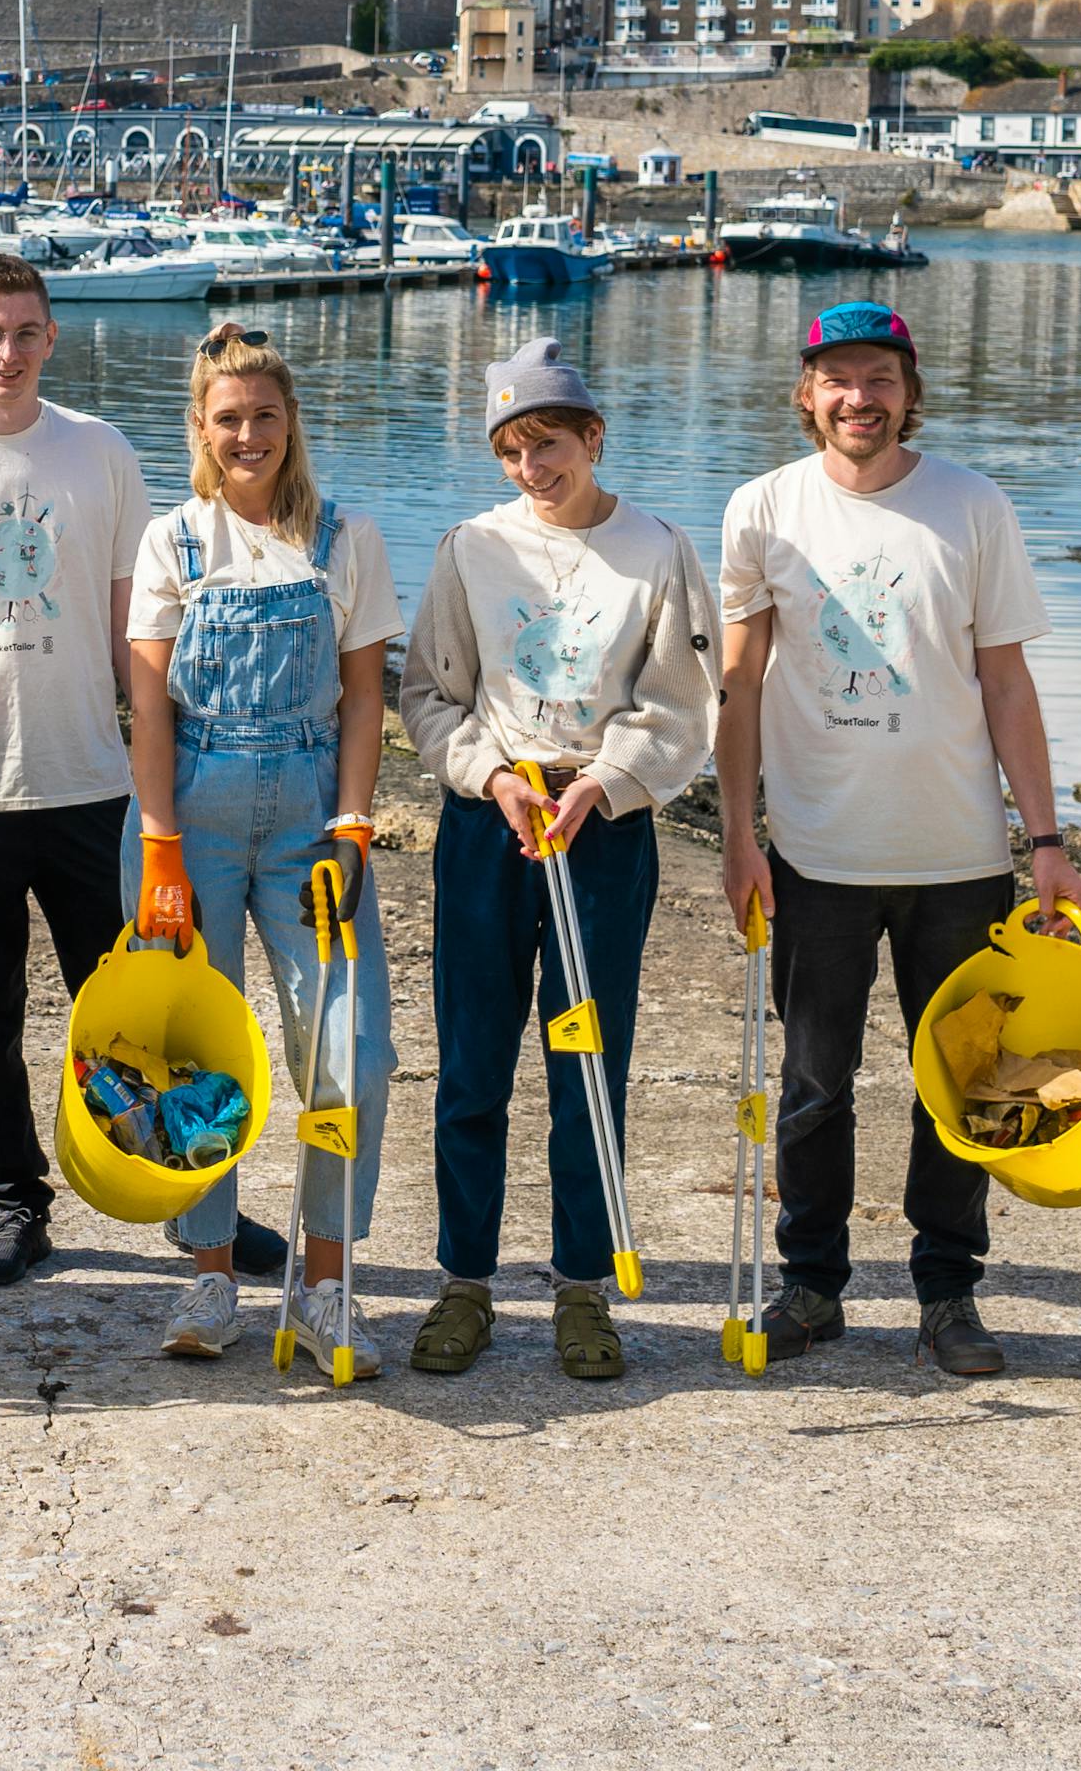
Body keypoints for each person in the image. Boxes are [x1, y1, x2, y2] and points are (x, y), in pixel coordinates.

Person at [716, 301, 1081, 1376]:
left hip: (959, 854)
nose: (858, 398)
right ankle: (812, 1285)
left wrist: (1046, 838)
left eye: (879, 377)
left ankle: (948, 1289)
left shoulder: (971, 506)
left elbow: (1008, 683)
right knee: (813, 1083)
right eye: (837, 378)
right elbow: (738, 688)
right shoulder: (763, 509)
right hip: (817, 855)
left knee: (962, 1081)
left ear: (909, 391)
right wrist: (739, 836)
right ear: (806, 392)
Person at [0, 251, 241, 1290]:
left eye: (26, 332)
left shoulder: (100, 451)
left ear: (51, 339)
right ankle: (16, 1203)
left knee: (134, 1007)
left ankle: (184, 1199)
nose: (8, 352)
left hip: (93, 782)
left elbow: (139, 631)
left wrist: (169, 762)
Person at [398, 337, 712, 1381]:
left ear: (593, 436)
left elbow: (678, 705)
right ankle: (465, 1283)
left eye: (550, 442)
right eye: (512, 449)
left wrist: (607, 781)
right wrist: (491, 774)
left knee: (588, 1059)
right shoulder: (470, 548)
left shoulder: (658, 550)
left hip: (599, 825)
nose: (534, 466)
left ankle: (583, 1286)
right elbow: (431, 696)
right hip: (495, 821)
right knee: (473, 1058)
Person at [120, 324, 402, 1366]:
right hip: (187, 804)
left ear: (292, 423)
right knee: (191, 1054)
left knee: (351, 1047)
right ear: (201, 426)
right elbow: (147, 702)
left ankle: (324, 1285)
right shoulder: (172, 541)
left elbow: (368, 694)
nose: (248, 434)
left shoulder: (346, 538)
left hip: (310, 814)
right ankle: (208, 1275)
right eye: (228, 417)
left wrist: (354, 822)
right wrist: (158, 845)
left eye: (264, 416)